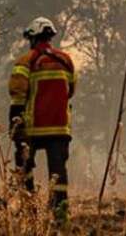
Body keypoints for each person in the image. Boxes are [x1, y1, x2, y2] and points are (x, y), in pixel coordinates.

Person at [8, 16, 76, 222]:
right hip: (60, 127)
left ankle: (30, 209)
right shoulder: (66, 61)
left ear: (33, 38)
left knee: (24, 165)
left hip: (32, 128)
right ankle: (60, 213)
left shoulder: (25, 61)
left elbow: (17, 96)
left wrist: (15, 124)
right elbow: (71, 90)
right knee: (58, 173)